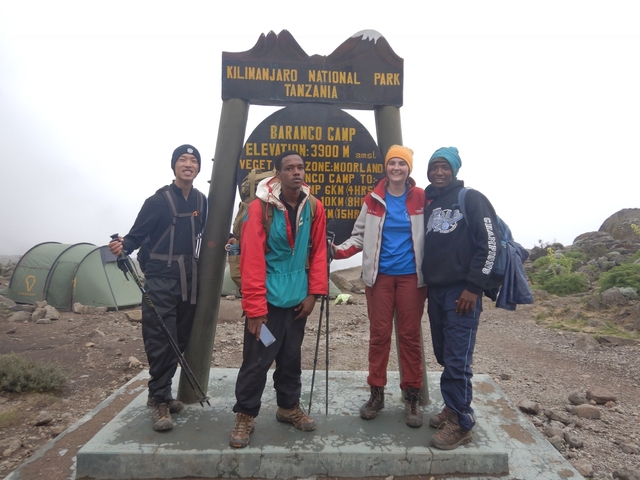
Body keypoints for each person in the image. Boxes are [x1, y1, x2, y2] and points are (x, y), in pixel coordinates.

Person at [229, 149, 328, 449]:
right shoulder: (260, 210)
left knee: (290, 358)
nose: (296, 173)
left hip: (298, 302)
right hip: (267, 304)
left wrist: (313, 294)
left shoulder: (314, 207)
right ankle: (245, 414)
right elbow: (253, 261)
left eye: (300, 168)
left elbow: (319, 252)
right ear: (278, 174)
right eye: (289, 168)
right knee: (257, 361)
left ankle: (288, 407)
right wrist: (256, 310)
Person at [109, 144, 206, 432]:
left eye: (193, 161)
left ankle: (161, 392)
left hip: (190, 280)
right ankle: (160, 399)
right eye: (182, 160)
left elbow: (211, 232)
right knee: (160, 339)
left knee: (181, 339)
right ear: (174, 166)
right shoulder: (158, 201)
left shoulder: (203, 200)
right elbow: (136, 236)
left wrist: (228, 240)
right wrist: (122, 245)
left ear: (198, 168)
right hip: (161, 279)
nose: (188, 164)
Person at [333, 145, 427, 428]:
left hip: (412, 277)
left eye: (402, 163)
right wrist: (336, 251)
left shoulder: (422, 197)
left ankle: (412, 396)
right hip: (380, 278)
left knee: (410, 337)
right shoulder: (373, 199)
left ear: (409, 168)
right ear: (386, 167)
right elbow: (359, 237)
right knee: (379, 335)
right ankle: (377, 393)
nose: (396, 168)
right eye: (392, 163)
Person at [422, 146, 501, 450]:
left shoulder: (471, 199)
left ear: (454, 170)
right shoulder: (431, 205)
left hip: (462, 292)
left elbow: (489, 245)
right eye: (434, 167)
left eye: (444, 167)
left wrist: (473, 286)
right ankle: (452, 406)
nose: (439, 172)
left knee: (457, 358)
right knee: (444, 353)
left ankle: (462, 421)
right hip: (436, 291)